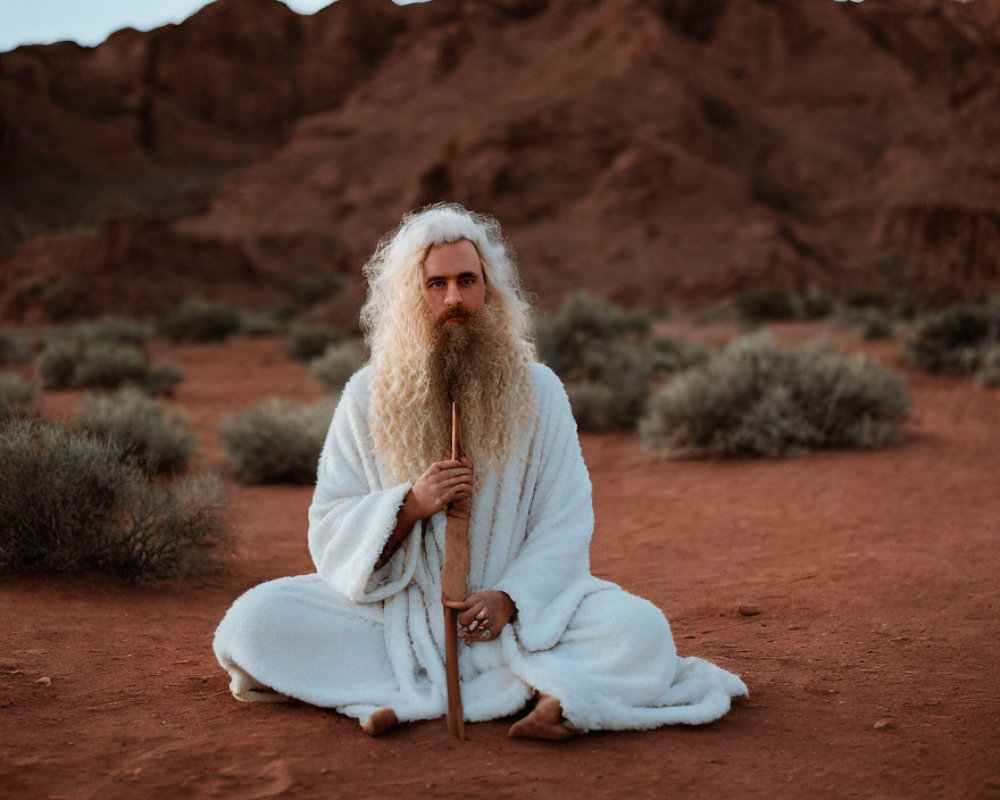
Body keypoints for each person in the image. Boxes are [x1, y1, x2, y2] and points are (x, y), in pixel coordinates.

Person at [213, 203, 747, 739]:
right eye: (436, 284)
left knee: (639, 629)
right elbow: (330, 521)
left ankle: (513, 698)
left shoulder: (540, 392)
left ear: (488, 287)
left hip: (512, 620)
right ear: (409, 294)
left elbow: (565, 519)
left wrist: (510, 598)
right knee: (256, 621)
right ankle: (520, 690)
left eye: (467, 281)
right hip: (399, 618)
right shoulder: (365, 396)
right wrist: (409, 505)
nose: (453, 299)